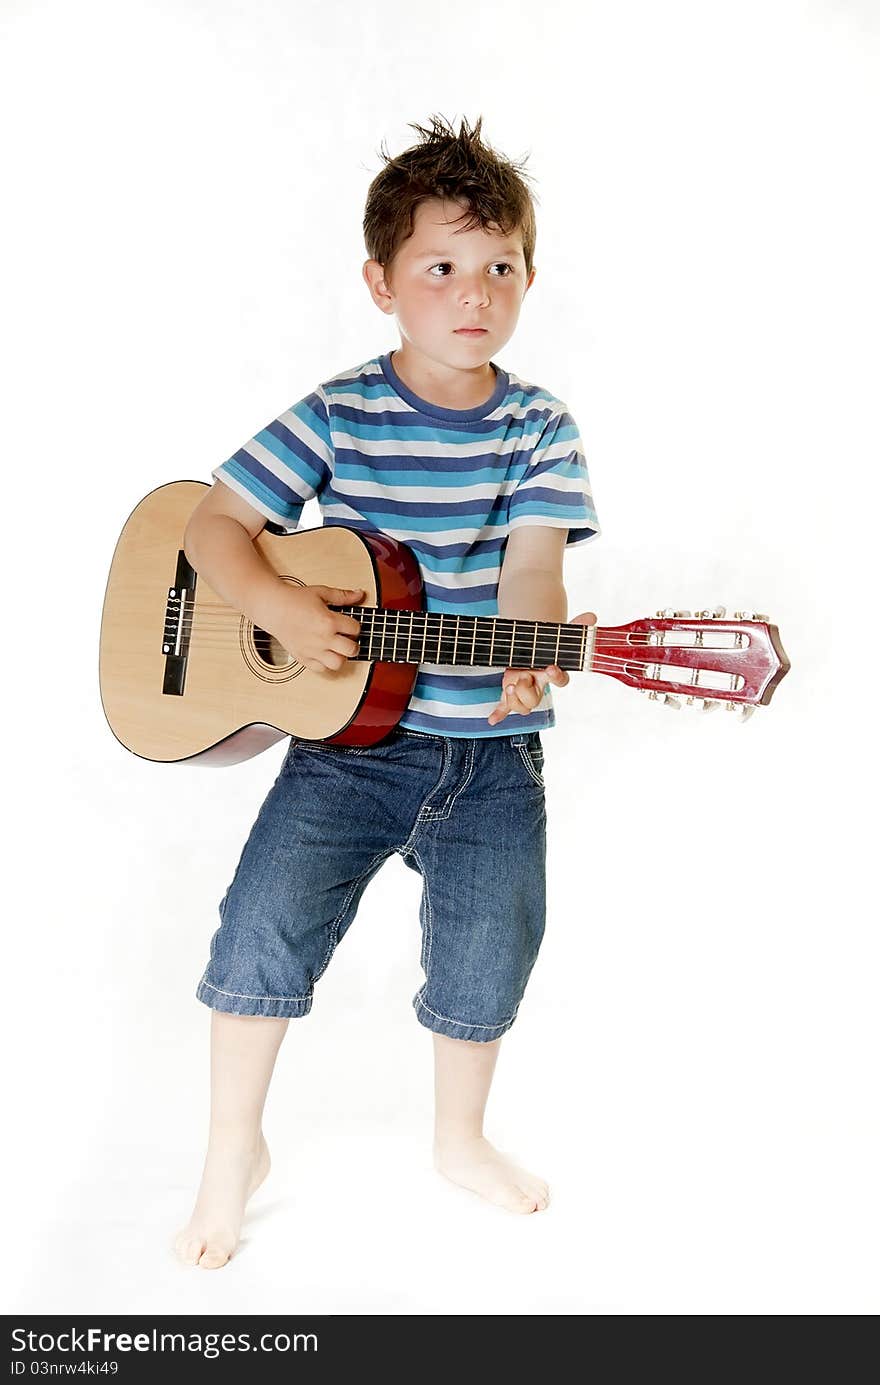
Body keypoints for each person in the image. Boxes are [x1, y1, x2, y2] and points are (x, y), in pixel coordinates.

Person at [174, 114, 601, 1269]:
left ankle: (459, 1138)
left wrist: (535, 636)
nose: (476, 293)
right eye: (442, 266)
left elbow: (534, 567)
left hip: (490, 753)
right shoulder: (338, 411)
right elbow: (215, 525)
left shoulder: (539, 427)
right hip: (343, 747)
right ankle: (229, 1153)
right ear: (381, 282)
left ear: (529, 277)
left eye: (500, 265)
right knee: (260, 932)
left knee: (489, 952)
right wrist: (273, 605)